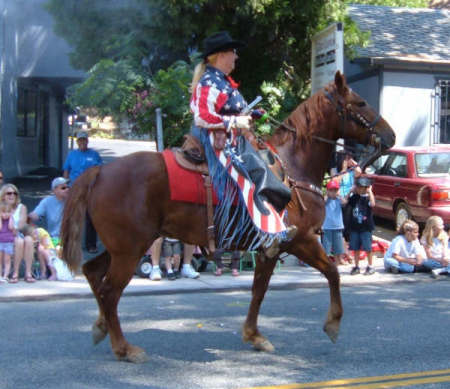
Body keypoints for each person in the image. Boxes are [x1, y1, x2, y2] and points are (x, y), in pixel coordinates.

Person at [190, 31, 296, 259]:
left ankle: (271, 226)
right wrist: (235, 120)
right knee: (253, 176)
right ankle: (266, 233)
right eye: (233, 52)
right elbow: (202, 117)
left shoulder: (222, 82)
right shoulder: (210, 82)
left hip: (234, 139)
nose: (236, 57)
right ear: (220, 55)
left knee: (266, 168)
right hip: (217, 142)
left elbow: (231, 111)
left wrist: (251, 114)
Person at [63, 131, 102, 253]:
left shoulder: (94, 154)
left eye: (84, 140)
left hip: (91, 189)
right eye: (80, 140)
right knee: (74, 216)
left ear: (87, 141)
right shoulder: (72, 155)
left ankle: (91, 245)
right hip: (75, 189)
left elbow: (100, 170)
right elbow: (66, 171)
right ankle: (70, 244)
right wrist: (65, 186)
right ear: (77, 142)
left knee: (91, 217)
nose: (82, 142)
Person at [2, 184, 35, 283]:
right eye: (9, 193)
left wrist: (13, 228)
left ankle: (28, 273)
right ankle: (15, 273)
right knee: (20, 242)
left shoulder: (22, 207)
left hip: (17, 233)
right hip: (3, 237)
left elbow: (21, 224)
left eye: (14, 193)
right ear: (3, 195)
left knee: (28, 240)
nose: (12, 195)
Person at [347, 176, 376, 275]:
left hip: (366, 227)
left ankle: (370, 265)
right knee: (355, 248)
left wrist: (370, 192)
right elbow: (346, 202)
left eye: (362, 187)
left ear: (367, 188)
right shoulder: (354, 197)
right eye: (358, 187)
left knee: (368, 248)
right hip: (355, 227)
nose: (360, 189)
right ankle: (356, 266)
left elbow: (372, 204)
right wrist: (350, 192)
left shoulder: (368, 197)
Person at [28, 177, 69, 244]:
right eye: (63, 188)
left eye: (68, 187)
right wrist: (29, 216)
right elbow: (36, 214)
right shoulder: (47, 201)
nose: (67, 189)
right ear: (54, 190)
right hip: (55, 239)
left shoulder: (72, 201)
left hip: (70, 240)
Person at [322, 179, 346, 265]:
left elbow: (344, 202)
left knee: (338, 247)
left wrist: (339, 195)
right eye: (331, 190)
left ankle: (337, 262)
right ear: (327, 191)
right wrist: (326, 195)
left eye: (335, 190)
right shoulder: (326, 200)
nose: (333, 192)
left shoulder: (338, 199)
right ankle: (325, 264)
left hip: (338, 226)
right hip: (327, 227)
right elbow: (322, 202)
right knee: (326, 248)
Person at [0, 198, 15, 282]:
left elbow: (10, 227)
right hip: (0, 242)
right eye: (3, 212)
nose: (6, 214)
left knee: (7, 260)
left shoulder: (11, 220)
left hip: (8, 242)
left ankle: (6, 275)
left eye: (8, 212)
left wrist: (11, 217)